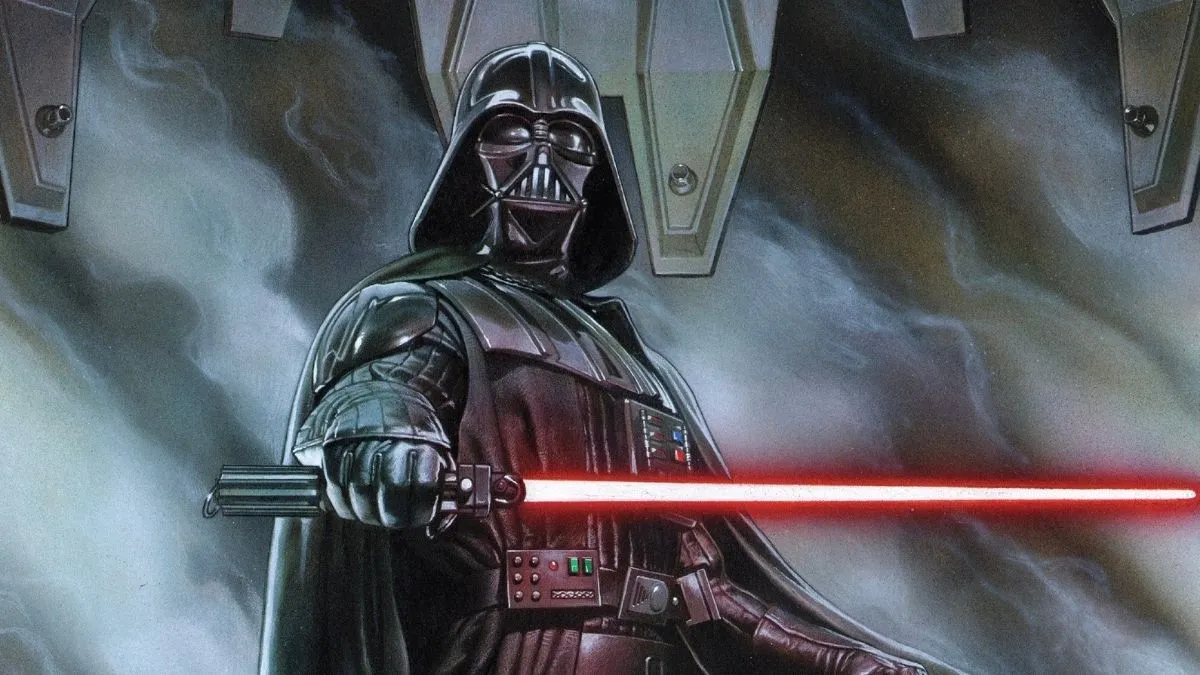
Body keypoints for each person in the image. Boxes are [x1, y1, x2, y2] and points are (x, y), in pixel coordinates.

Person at [260, 42, 950, 675]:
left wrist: (841, 660)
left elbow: (709, 588)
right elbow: (384, 388)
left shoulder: (643, 372)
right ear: (470, 157)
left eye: (569, 138)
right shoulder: (431, 309)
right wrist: (385, 441)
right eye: (511, 131)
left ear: (596, 172)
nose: (541, 161)